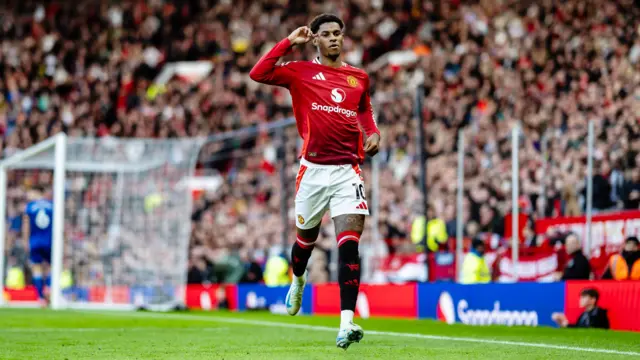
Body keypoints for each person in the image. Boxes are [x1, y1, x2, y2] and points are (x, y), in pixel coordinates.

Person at [250, 13, 380, 349]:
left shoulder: (358, 77)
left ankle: (346, 323)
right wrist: (288, 43)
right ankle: (298, 278)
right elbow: (259, 72)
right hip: (312, 171)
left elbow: (364, 109)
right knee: (304, 245)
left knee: (349, 245)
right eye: (326, 34)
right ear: (316, 39)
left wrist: (374, 133)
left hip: (347, 171)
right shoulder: (300, 71)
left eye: (338, 33)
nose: (334, 38)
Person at [22, 186, 54, 304]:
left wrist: (25, 241)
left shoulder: (30, 207)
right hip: (50, 241)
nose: (28, 196)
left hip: (34, 241)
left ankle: (41, 297)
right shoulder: (52, 205)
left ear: (37, 192)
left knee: (37, 268)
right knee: (51, 267)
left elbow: (26, 225)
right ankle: (49, 288)